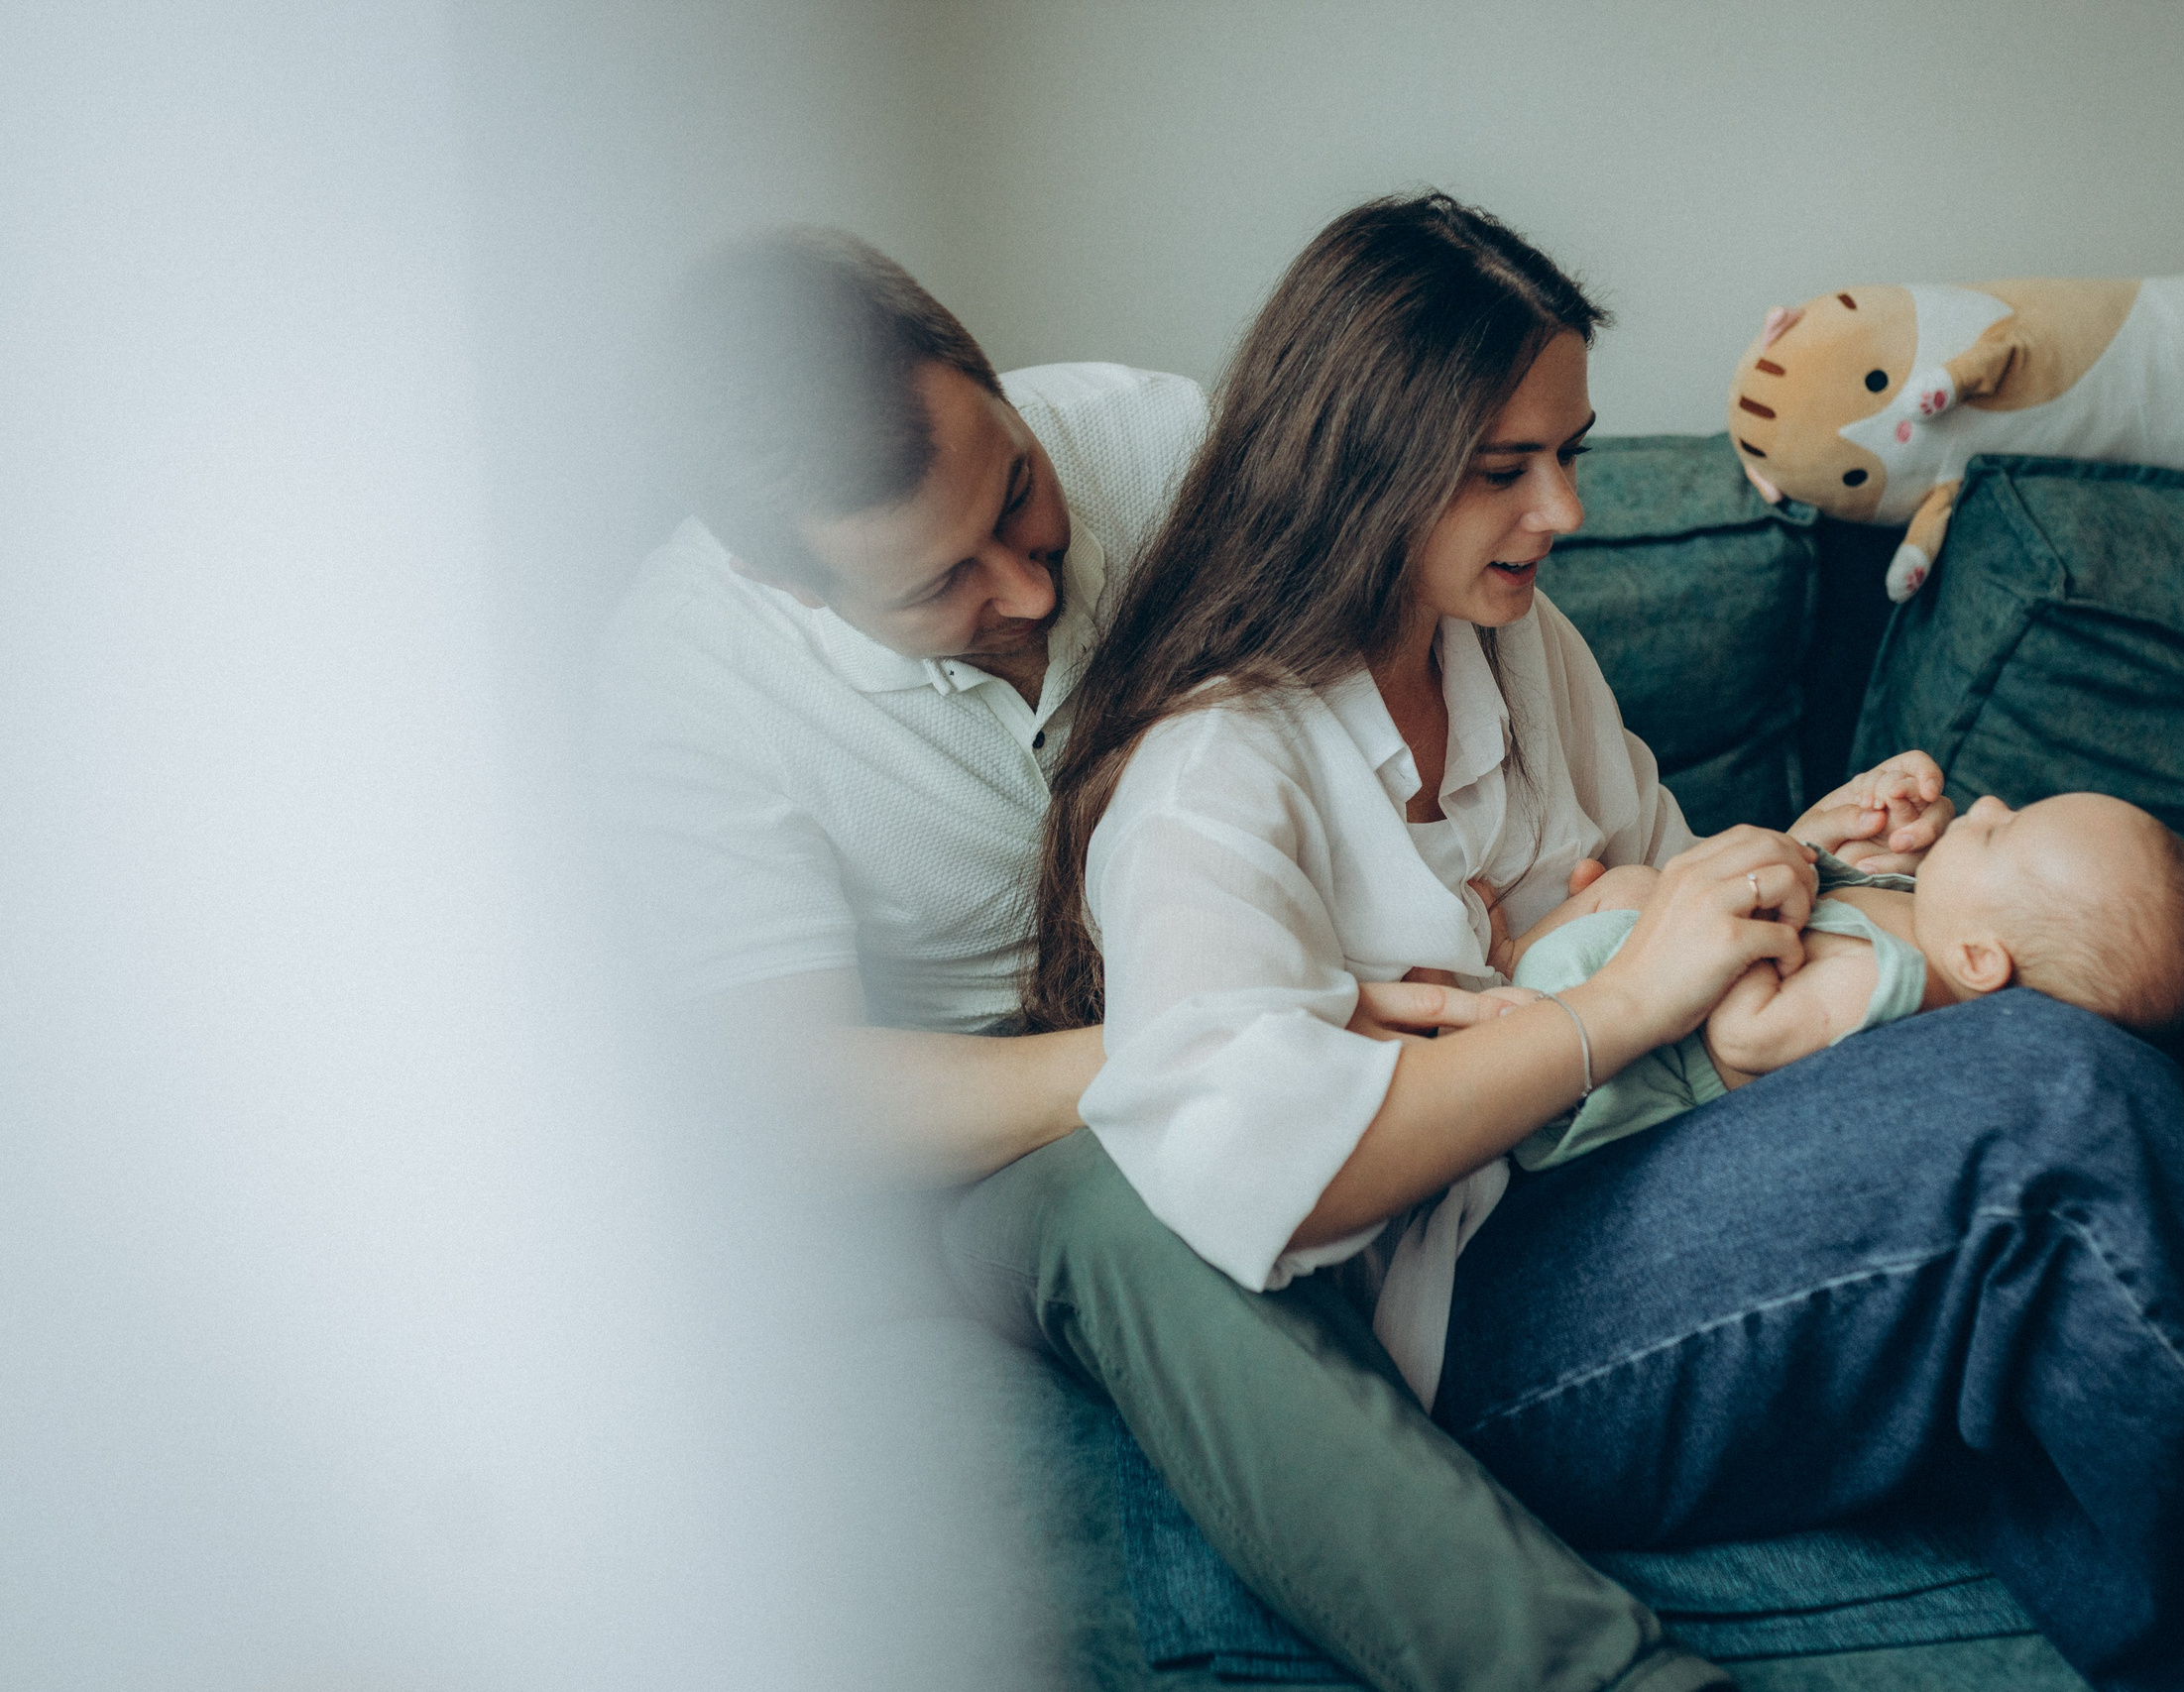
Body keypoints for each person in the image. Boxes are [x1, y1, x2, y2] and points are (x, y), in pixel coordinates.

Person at [1027, 190, 2184, 1691]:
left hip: (1660, 1139)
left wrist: (1826, 863)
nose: (1564, 513)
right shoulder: (1210, 774)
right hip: (1482, 1315)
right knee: (2046, 1097)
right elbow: (1255, 1181)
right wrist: (1614, 1009)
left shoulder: (1511, 640)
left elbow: (1672, 892)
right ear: (1360, 466)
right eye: (1507, 470)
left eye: (1570, 453)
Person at [593, 225, 1734, 1691]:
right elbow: (801, 1098)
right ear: (794, 586)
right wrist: (1210, 1043)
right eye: (939, 585)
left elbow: (1414, 705)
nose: (1024, 581)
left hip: (1321, 970)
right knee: (1135, 1216)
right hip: (1012, 1109)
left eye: (1017, 491)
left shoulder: (1160, 440)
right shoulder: (683, 691)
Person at [1495, 786, 2184, 1170]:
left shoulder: (1877, 980)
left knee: (1627, 890)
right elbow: (1827, 892)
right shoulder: (1924, 915)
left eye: (2001, 831)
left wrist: (1759, 911)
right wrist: (1826, 841)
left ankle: (1506, 976)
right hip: (1637, 993)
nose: (1986, 804)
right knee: (1629, 886)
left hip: (1626, 1085)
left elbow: (1746, 1037)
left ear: (1979, 960)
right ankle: (1516, 956)